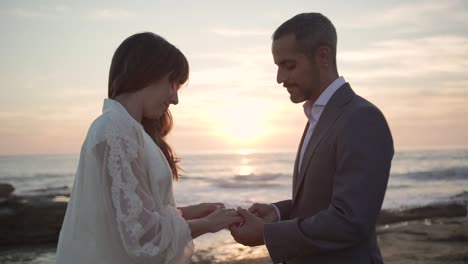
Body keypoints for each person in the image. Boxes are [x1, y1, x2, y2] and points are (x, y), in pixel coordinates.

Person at [56, 32, 242, 264]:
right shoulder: (113, 129)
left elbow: (134, 213)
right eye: (173, 84)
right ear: (149, 74)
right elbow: (142, 236)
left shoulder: (129, 130)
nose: (175, 99)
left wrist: (191, 212)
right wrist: (208, 224)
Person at [229, 13, 394, 264]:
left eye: (289, 65)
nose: (280, 78)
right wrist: (277, 212)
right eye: (278, 67)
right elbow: (320, 202)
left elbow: (350, 220)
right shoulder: (318, 116)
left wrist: (266, 234)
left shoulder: (362, 119)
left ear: (323, 57)